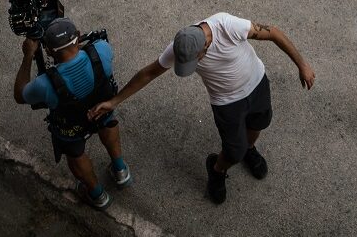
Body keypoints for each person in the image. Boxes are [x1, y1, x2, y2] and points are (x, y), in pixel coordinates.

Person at [86, 14, 316, 207]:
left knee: (258, 125)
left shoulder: (227, 26)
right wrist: (115, 101)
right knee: (232, 152)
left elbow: (272, 32)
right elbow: (148, 73)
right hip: (226, 103)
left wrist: (302, 65)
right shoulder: (180, 46)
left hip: (257, 85)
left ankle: (250, 149)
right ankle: (217, 170)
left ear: (206, 45)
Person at [14, 17, 128, 210]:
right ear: (77, 36)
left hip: (71, 125)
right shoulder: (101, 51)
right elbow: (92, 46)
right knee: (108, 123)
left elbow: (20, 95)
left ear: (48, 51)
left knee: (75, 154)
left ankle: (98, 197)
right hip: (101, 109)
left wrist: (28, 55)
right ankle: (120, 171)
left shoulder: (44, 85)